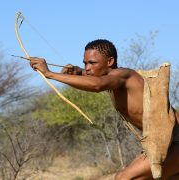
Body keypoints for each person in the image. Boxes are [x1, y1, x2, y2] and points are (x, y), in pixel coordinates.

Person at [30, 39, 179, 179]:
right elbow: (93, 76)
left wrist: (49, 74)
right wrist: (77, 71)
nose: (87, 68)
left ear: (110, 61)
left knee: (123, 177)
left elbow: (97, 84)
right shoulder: (109, 77)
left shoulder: (123, 75)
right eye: (85, 63)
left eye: (92, 63)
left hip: (175, 139)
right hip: (163, 142)